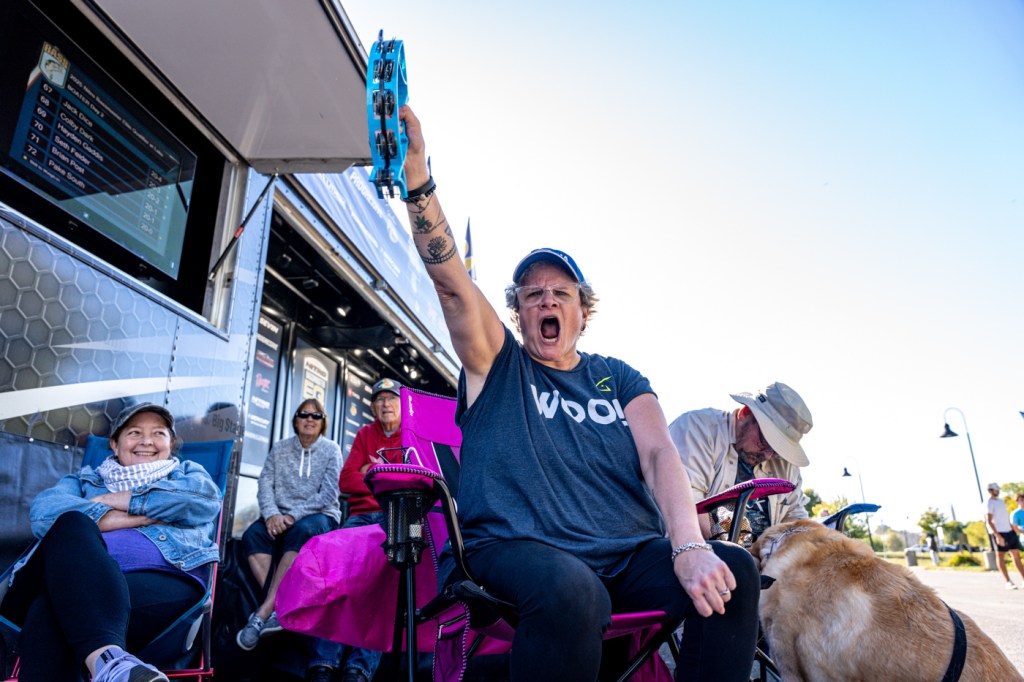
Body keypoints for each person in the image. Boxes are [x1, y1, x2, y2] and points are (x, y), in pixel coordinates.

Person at [392, 104, 760, 682]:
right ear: (518, 312)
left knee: (731, 571)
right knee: (574, 590)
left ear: (583, 313)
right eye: (532, 294)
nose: (547, 300)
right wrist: (418, 179)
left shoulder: (620, 376)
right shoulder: (498, 364)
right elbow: (453, 286)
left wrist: (689, 545)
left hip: (627, 554)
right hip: (516, 550)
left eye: (561, 293)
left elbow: (659, 453)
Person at [0, 403, 221, 682]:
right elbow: (44, 514)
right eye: (135, 432)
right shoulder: (85, 479)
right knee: (71, 523)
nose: (147, 441)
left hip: (164, 581)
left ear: (171, 444)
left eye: (159, 433)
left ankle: (109, 663)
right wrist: (140, 516)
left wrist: (107, 503)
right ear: (115, 445)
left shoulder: (188, 474)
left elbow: (203, 501)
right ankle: (112, 664)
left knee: (50, 609)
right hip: (73, 579)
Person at [306, 378, 403, 682]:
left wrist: (370, 472)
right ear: (373, 407)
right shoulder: (365, 434)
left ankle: (359, 668)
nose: (386, 404)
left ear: (402, 404)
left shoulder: (412, 435)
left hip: (394, 517)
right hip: (360, 518)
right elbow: (346, 481)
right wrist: (387, 475)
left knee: (381, 584)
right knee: (336, 579)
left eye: (392, 398)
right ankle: (324, 662)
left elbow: (413, 481)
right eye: (380, 400)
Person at [237, 399, 342, 649]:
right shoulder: (280, 448)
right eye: (304, 414)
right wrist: (272, 515)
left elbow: (327, 495)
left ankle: (263, 612)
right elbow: (265, 484)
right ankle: (281, 607)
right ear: (295, 420)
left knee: (301, 531)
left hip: (320, 515)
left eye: (316, 416)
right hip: (280, 515)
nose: (309, 419)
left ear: (323, 422)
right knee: (253, 535)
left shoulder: (332, 450)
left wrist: (292, 516)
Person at [667, 383, 812, 543]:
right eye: (765, 441)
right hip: (700, 550)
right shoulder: (697, 429)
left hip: (763, 556)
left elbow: (795, 519)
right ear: (745, 413)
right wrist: (741, 548)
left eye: (777, 451)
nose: (768, 455)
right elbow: (689, 506)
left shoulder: (784, 463)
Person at [984, 482, 1024, 590]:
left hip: (1009, 531)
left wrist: (1012, 529)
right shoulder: (988, 502)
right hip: (999, 532)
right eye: (996, 489)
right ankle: (1008, 581)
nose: (998, 491)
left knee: (1016, 555)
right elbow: (989, 521)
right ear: (990, 490)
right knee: (1001, 556)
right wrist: (997, 536)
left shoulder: (1001, 501)